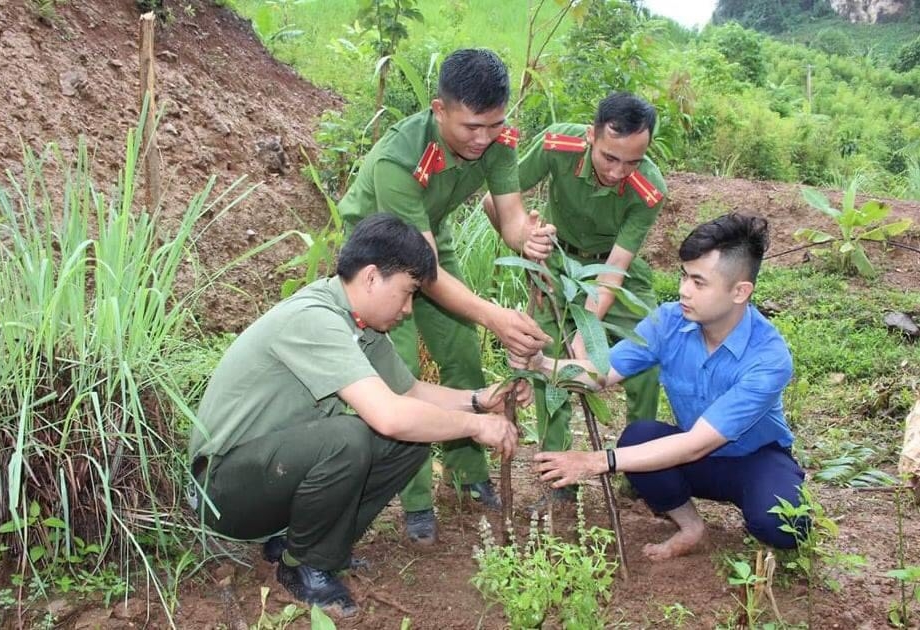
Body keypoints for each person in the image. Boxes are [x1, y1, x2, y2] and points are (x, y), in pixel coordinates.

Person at [189, 214, 529, 616]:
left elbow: (412, 394)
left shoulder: (361, 326)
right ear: (371, 278)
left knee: (411, 442)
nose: (407, 309)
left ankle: (309, 544)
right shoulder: (315, 318)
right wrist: (476, 426)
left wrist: (479, 400)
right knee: (350, 437)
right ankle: (305, 568)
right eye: (406, 293)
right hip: (223, 492)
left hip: (270, 478)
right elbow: (389, 415)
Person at [338, 48, 555, 544]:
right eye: (470, 127)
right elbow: (422, 270)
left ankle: (465, 470)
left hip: (431, 239)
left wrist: (530, 239)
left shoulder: (497, 141)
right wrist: (493, 315)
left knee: (462, 358)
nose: (483, 139)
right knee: (400, 375)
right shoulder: (400, 158)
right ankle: (415, 500)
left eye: (494, 125)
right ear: (439, 110)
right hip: (379, 259)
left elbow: (513, 218)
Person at [510, 213, 808, 560]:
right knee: (638, 439)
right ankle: (691, 526)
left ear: (740, 291)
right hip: (696, 459)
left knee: (782, 525)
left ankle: (763, 507)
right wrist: (543, 364)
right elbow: (601, 375)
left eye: (699, 282)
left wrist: (595, 461)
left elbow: (696, 444)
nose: (683, 290)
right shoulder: (669, 321)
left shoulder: (768, 357)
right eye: (684, 276)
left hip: (755, 458)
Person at [485, 92, 666, 507]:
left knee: (646, 359)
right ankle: (558, 482)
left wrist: (585, 332)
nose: (619, 171)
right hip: (558, 264)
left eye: (633, 161)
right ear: (590, 136)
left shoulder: (649, 188)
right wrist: (526, 247)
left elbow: (616, 269)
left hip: (617, 277)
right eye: (609, 158)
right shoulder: (556, 145)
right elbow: (494, 198)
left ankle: (638, 473)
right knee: (545, 367)